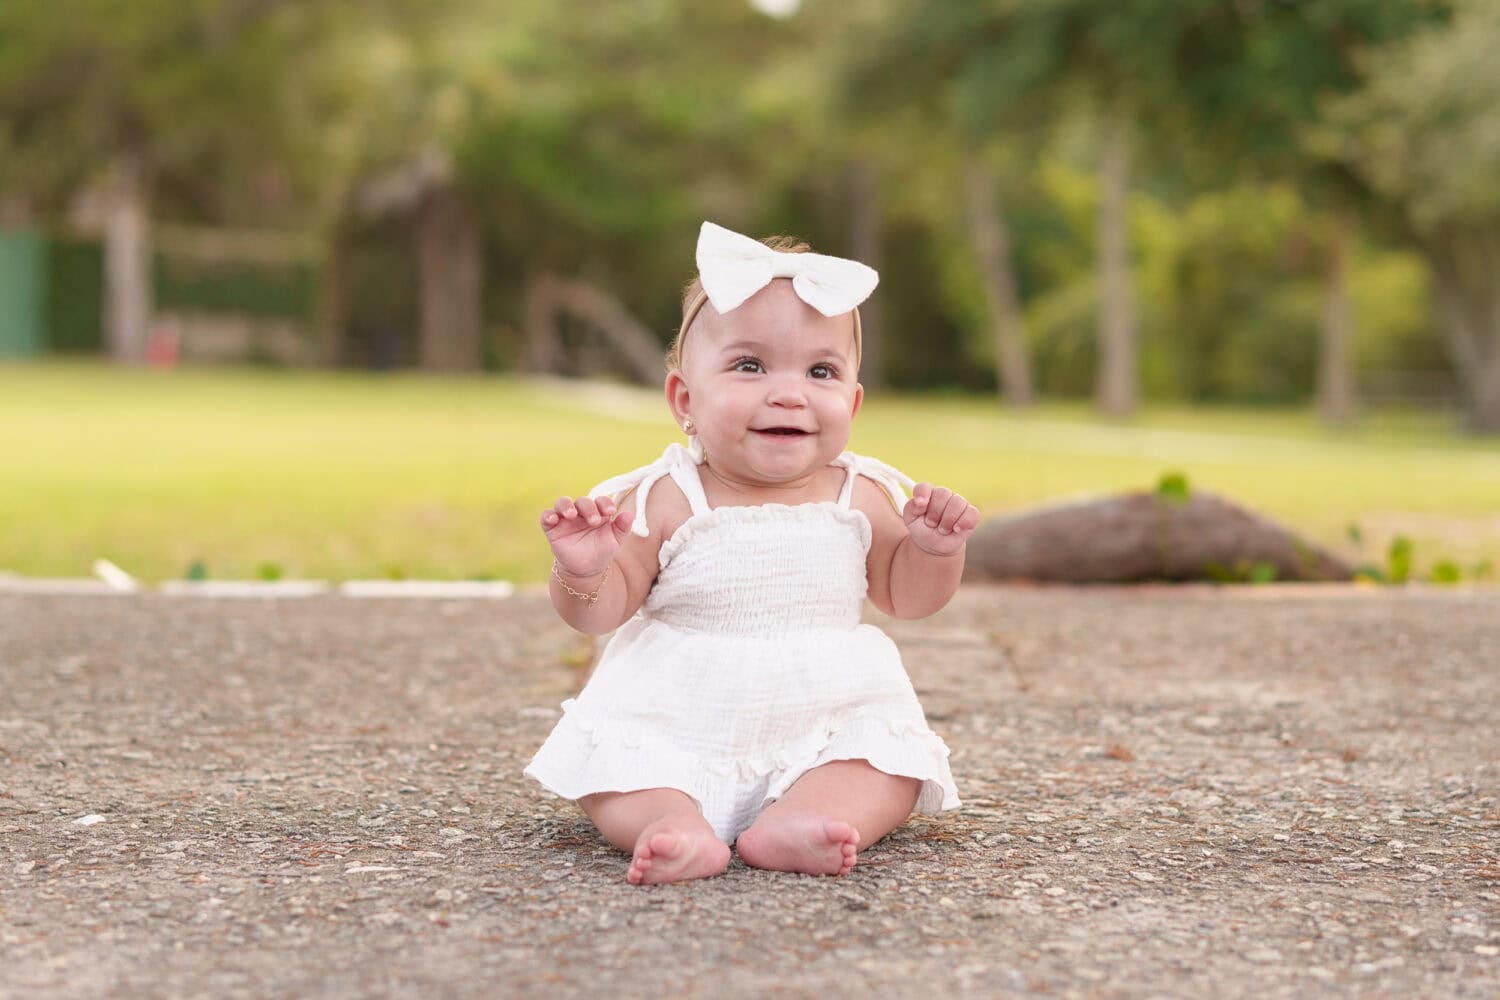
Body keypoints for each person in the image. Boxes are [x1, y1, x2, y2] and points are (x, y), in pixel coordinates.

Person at [524, 221, 976, 885]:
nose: (788, 391)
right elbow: (598, 613)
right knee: (617, 773)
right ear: (685, 399)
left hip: (826, 708)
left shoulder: (861, 492)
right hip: (678, 713)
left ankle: (804, 818)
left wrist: (935, 552)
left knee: (886, 766)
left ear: (851, 400)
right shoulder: (668, 498)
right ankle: (668, 823)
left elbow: (905, 597)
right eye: (749, 366)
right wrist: (585, 568)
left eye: (819, 371)